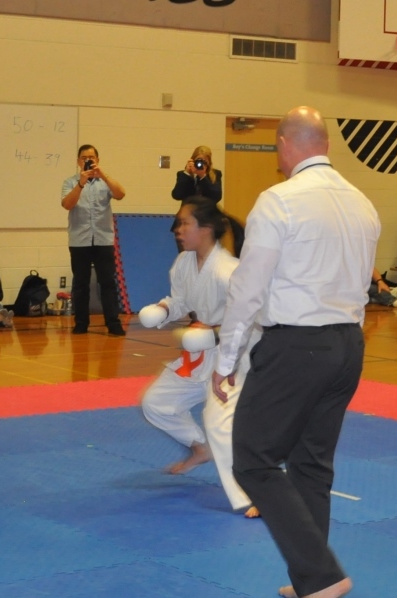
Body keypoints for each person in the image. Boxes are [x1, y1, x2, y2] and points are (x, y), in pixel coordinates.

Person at [212, 106, 379, 598]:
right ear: (325, 143)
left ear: (285, 144)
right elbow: (361, 285)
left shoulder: (279, 201)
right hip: (348, 344)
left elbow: (247, 289)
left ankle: (323, 575)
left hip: (297, 345)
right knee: (311, 464)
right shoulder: (362, 203)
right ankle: (311, 581)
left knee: (252, 460)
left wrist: (225, 360)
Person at [139, 199, 259, 518]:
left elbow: (252, 318)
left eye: (184, 223)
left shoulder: (228, 271)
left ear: (205, 229)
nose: (177, 230)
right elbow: (181, 300)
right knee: (157, 402)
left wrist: (215, 334)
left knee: (218, 423)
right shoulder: (184, 263)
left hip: (233, 357)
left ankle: (255, 493)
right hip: (201, 351)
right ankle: (199, 448)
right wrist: (164, 309)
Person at [61, 144, 126, 336]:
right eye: (84, 158)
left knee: (108, 283)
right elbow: (67, 204)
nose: (88, 160)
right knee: (80, 284)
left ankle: (113, 323)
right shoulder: (70, 182)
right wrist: (81, 184)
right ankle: (81, 323)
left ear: (97, 160)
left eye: (91, 157)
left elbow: (121, 194)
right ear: (78, 161)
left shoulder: (105, 182)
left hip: (103, 239)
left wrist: (103, 175)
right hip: (79, 240)